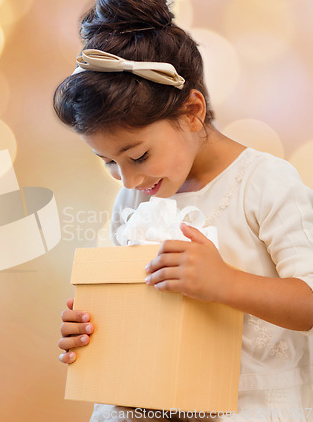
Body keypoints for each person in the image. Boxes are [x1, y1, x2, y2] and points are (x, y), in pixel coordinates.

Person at [53, 0, 313, 421]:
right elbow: (140, 311)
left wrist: (224, 281)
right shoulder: (133, 201)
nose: (128, 179)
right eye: (109, 163)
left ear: (192, 112)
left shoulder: (264, 184)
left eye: (137, 156)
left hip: (251, 406)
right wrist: (91, 328)